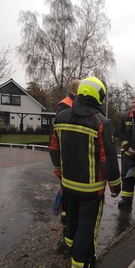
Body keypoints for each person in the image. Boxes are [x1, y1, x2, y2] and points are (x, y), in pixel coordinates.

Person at [49, 77, 121, 268]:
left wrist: (59, 172)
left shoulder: (61, 117)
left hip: (68, 184)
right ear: (98, 96)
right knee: (87, 225)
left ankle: (68, 247)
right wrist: (115, 186)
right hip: (91, 188)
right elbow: (108, 159)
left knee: (72, 219)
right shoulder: (101, 122)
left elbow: (54, 149)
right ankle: (80, 267)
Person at [54, 79, 81, 227]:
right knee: (65, 184)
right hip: (66, 151)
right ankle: (65, 213)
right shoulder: (64, 105)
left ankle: (70, 212)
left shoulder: (75, 104)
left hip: (74, 149)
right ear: (76, 91)